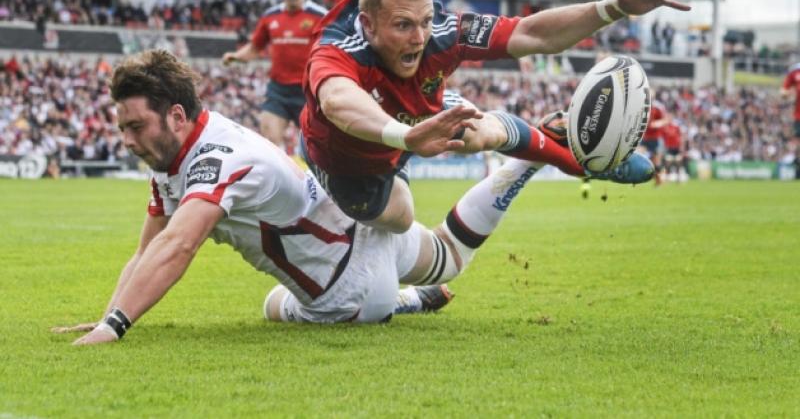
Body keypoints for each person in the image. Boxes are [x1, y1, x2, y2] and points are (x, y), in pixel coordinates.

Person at [52, 50, 547, 345]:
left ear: (177, 117)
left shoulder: (215, 160)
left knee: (274, 305)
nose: (127, 140)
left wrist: (114, 327)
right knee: (447, 256)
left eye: (135, 126)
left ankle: (399, 301)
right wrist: (105, 315)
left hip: (345, 293)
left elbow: (176, 247)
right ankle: (528, 160)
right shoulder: (177, 157)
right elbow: (146, 250)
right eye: (123, 128)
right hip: (361, 223)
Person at [300, 0, 692, 232]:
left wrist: (614, 7)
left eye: (425, 21)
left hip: (419, 123)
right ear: (368, 24)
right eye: (402, 25)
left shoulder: (444, 31)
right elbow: (337, 101)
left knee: (474, 129)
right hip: (351, 161)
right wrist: (405, 138)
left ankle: (577, 159)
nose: (419, 38)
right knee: (402, 219)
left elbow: (531, 34)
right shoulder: (337, 47)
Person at [222, 0, 326, 149]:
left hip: (309, 91)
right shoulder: (270, 16)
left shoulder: (320, 15)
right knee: (270, 141)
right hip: (278, 91)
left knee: (316, 147)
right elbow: (255, 47)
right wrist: (236, 56)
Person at [781, 61, 800, 179]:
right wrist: (788, 94)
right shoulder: (795, 72)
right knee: (797, 138)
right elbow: (784, 91)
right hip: (798, 115)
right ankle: (797, 160)